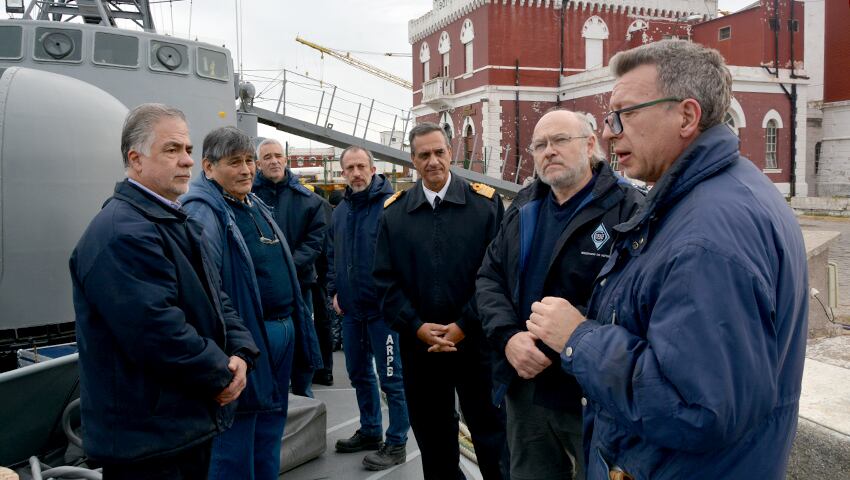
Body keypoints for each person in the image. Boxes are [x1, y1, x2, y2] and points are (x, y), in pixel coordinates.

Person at [526, 40, 809, 479]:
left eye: (626, 113)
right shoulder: (712, 196)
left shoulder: (708, 234)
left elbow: (696, 406)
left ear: (687, 116)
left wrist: (578, 338)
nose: (608, 132)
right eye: (608, 117)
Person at [69, 104, 259, 479]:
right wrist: (222, 374)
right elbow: (157, 331)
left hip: (178, 425)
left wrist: (241, 351)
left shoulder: (170, 220)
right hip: (148, 438)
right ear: (135, 159)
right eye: (172, 150)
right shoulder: (121, 232)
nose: (187, 161)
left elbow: (214, 297)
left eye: (188, 150)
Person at [477, 109, 643, 480]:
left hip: (590, 394)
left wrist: (573, 339)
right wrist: (508, 338)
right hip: (525, 385)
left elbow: (634, 299)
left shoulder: (628, 209)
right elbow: (489, 277)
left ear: (589, 145)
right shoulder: (523, 206)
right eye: (540, 145)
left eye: (559, 141)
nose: (548, 151)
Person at [180, 127, 321, 479]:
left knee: (270, 430)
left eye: (248, 161)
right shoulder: (202, 211)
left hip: (279, 332)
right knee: (235, 443)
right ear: (209, 167)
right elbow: (205, 289)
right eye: (234, 163)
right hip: (246, 343)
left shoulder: (250, 202)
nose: (245, 170)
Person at [374, 123, 508, 480]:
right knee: (434, 442)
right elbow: (384, 282)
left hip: (476, 344)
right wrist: (416, 327)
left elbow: (497, 276)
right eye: (424, 155)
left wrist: (464, 325)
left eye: (439, 152)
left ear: (451, 153)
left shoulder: (485, 206)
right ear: (412, 160)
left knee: (492, 436)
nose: (433, 161)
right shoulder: (394, 214)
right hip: (421, 349)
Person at [327, 146, 410, 471]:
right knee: (358, 373)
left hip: (383, 313)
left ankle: (397, 441)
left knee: (392, 379)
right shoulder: (340, 212)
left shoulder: (391, 207)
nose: (357, 173)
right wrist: (334, 291)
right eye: (350, 168)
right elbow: (334, 255)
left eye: (362, 166)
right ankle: (371, 430)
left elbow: (404, 258)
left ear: (373, 169)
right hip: (352, 311)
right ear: (343, 173)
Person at [253, 138, 328, 397]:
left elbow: (314, 241)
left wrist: (285, 267)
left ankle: (302, 396)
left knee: (302, 341)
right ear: (258, 163)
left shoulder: (309, 201)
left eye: (278, 156)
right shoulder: (247, 197)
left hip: (299, 284)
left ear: (285, 160)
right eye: (267, 157)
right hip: (260, 287)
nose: (273, 161)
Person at [311, 196, 335, 387]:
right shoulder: (322, 206)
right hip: (318, 274)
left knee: (321, 321)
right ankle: (324, 369)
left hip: (317, 275)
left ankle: (323, 369)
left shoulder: (318, 205)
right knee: (322, 322)